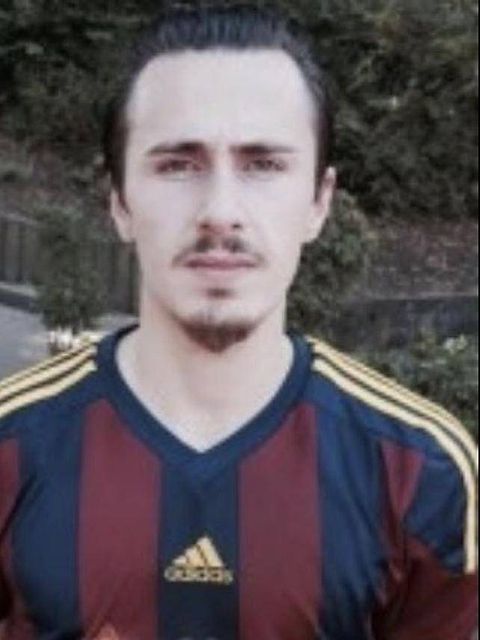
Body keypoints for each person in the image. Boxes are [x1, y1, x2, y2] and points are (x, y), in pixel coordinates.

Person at [0, 3, 477, 639]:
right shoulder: (10, 444)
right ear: (119, 203)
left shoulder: (420, 466)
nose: (220, 210)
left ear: (319, 202)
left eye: (263, 164)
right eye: (177, 164)